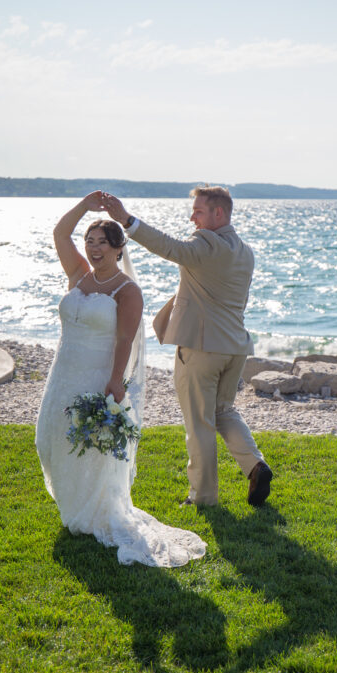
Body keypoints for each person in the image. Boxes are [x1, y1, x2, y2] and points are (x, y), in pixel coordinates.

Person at [35, 191, 206, 566]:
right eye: (90, 242)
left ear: (118, 249)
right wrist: (84, 206)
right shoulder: (79, 275)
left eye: (102, 243)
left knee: (90, 446)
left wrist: (115, 380)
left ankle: (92, 512)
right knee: (50, 440)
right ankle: (73, 506)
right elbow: (59, 234)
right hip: (63, 372)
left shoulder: (127, 291)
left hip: (97, 376)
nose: (94, 249)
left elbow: (125, 339)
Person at [98, 185, 273, 508]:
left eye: (199, 211)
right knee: (223, 412)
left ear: (218, 213)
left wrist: (126, 220)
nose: (192, 217)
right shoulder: (244, 251)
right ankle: (255, 466)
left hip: (202, 348)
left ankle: (203, 497)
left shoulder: (206, 242)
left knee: (199, 422)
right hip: (235, 347)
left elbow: (170, 247)